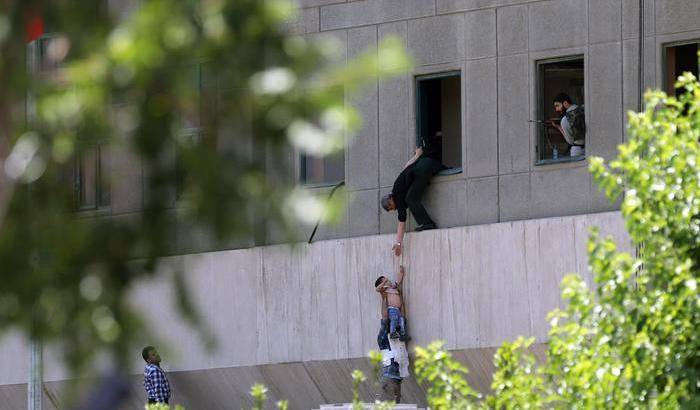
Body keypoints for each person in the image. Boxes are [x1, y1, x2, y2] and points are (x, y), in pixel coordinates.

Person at [381, 132, 443, 256]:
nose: (395, 209)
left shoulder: (398, 197)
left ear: (391, 201)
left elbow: (401, 224)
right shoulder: (398, 186)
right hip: (428, 163)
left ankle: (427, 224)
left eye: (392, 207)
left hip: (424, 168)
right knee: (410, 196)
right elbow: (406, 167)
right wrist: (417, 155)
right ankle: (426, 223)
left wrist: (398, 243)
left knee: (411, 199)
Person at [374, 265, 409, 341]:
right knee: (394, 320)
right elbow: (377, 289)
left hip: (398, 309)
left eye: (388, 280)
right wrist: (384, 282)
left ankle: (403, 334)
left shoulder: (393, 288)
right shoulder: (385, 291)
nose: (388, 281)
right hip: (392, 309)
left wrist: (401, 272)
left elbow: (398, 281)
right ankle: (392, 333)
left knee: (401, 321)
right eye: (385, 281)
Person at [550, 93, 585, 157]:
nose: (556, 109)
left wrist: (559, 127)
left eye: (557, 106)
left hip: (578, 151)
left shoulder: (565, 120)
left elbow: (570, 141)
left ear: (565, 103)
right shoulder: (583, 109)